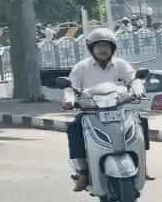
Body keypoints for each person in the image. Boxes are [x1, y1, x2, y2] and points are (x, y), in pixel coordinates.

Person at [62, 27, 147, 189]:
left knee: (141, 121)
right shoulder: (82, 67)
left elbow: (133, 79)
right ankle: (84, 171)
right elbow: (70, 88)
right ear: (92, 49)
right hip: (92, 112)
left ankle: (143, 164)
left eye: (106, 46)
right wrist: (70, 99)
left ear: (112, 48)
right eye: (99, 46)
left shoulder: (121, 65)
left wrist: (137, 88)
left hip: (118, 110)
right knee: (74, 128)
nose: (103, 50)